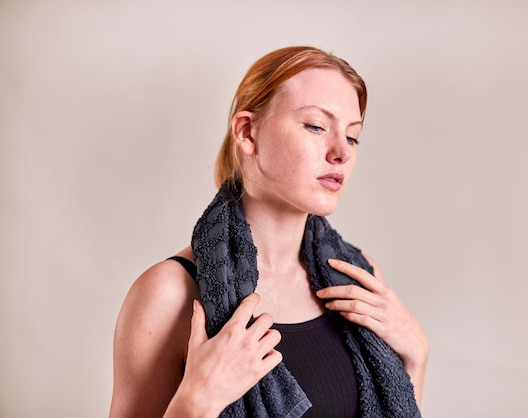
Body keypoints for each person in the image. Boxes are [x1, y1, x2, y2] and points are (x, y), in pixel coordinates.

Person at [108, 46, 429, 418]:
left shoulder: (358, 277)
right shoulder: (168, 293)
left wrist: (416, 359)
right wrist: (195, 404)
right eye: (315, 126)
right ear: (247, 133)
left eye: (353, 137)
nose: (341, 152)